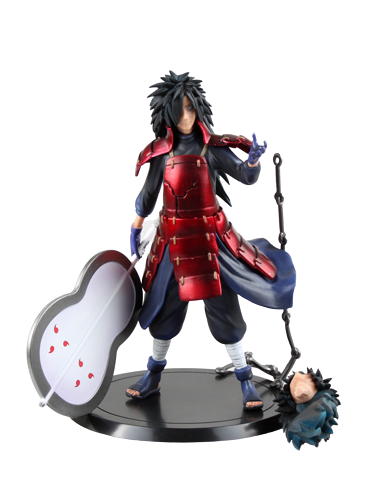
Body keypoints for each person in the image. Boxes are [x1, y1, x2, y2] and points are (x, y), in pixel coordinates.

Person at [128, 71, 296, 410]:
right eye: (179, 109)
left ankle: (245, 381)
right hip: (172, 242)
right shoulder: (160, 154)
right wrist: (136, 226)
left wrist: (252, 162)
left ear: (199, 109)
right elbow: (149, 194)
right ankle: (153, 376)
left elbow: (244, 175)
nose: (185, 116)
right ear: (168, 113)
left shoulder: (211, 148)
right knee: (163, 312)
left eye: (190, 108)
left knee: (225, 313)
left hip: (210, 241)